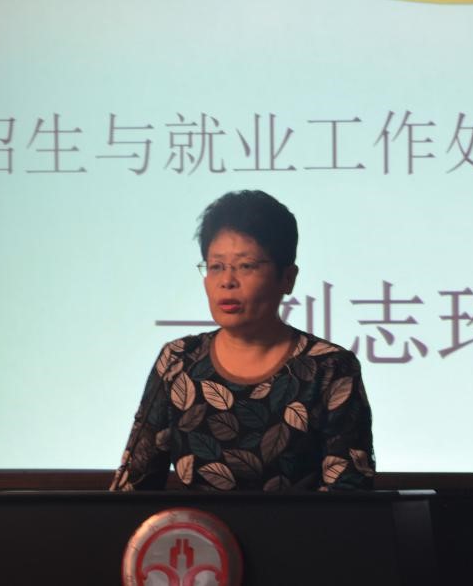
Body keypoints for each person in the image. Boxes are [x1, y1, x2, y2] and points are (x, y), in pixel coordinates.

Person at [110, 190, 375, 491]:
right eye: (216, 266)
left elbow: (349, 495)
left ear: (287, 278)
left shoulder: (329, 368)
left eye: (246, 266)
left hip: (301, 525)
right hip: (197, 525)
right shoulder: (179, 360)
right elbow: (134, 485)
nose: (227, 281)